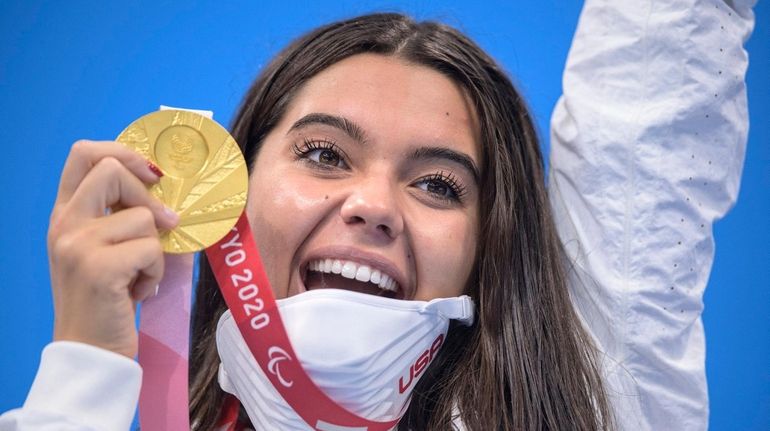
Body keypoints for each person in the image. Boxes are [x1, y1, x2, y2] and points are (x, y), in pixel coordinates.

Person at [0, 0, 755, 430]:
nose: (373, 206)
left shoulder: (595, 406)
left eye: (438, 185)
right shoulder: (77, 408)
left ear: (484, 255)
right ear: (228, 198)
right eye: (326, 154)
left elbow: (656, 81)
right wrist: (84, 367)